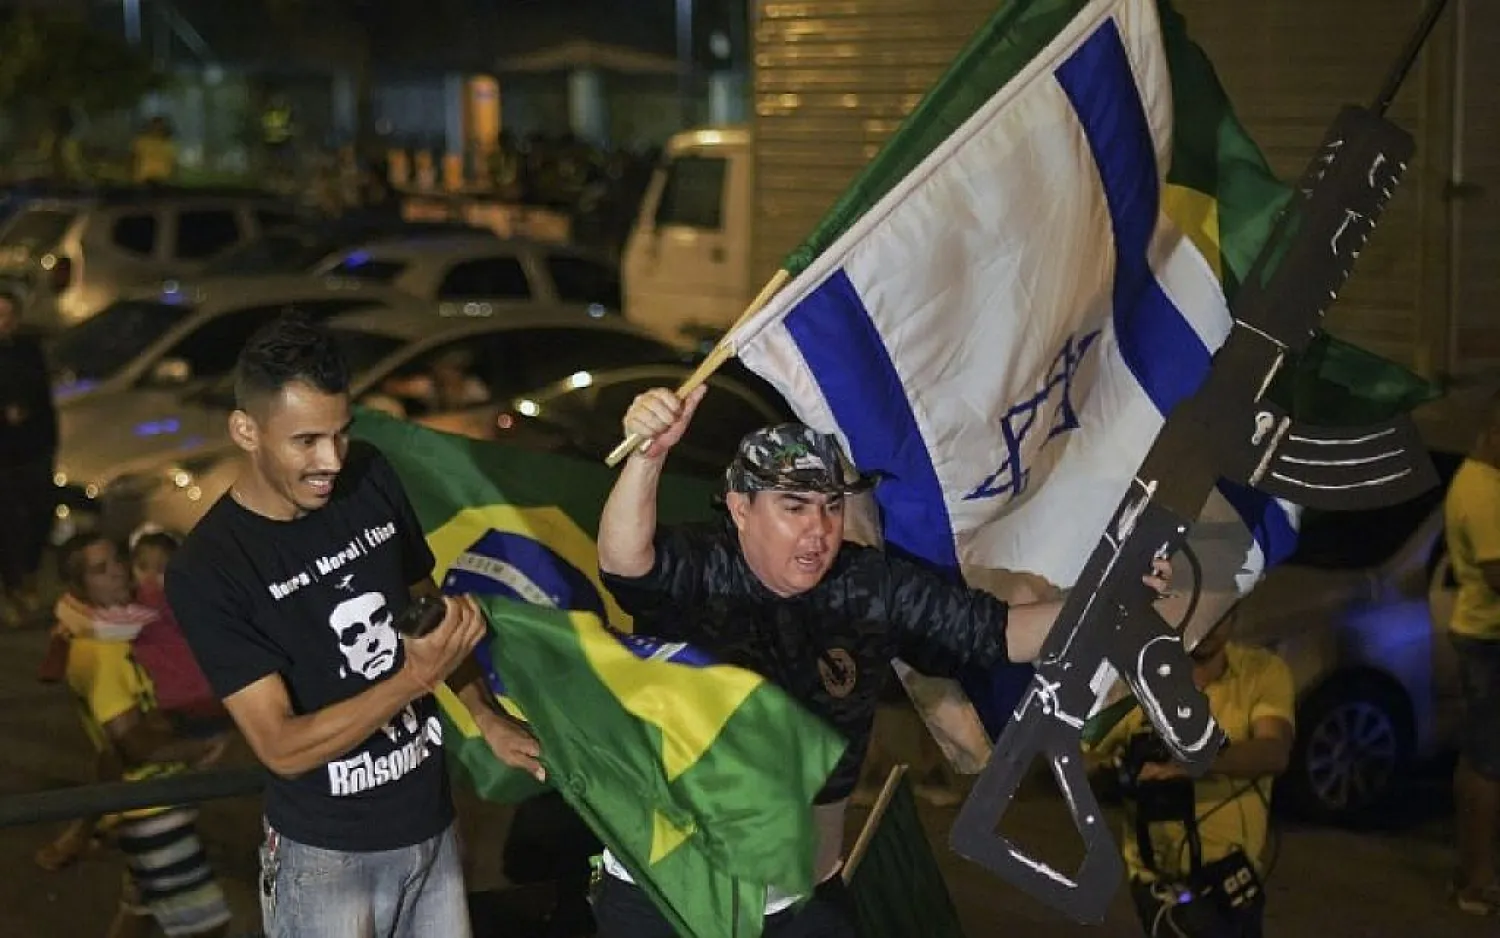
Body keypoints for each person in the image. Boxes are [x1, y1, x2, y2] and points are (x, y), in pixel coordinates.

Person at [588, 387, 1173, 937]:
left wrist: (1107, 595)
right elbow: (623, 562)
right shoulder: (701, 569)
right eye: (794, 506)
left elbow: (997, 633)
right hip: (663, 899)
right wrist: (648, 457)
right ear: (741, 508)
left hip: (801, 902)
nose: (818, 530)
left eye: (831, 507)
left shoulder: (868, 582)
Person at [164, 314, 541, 938]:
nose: (331, 460)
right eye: (306, 441)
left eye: (340, 434)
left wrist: (486, 715)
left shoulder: (370, 476)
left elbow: (427, 617)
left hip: (433, 828)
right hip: (327, 860)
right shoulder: (209, 569)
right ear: (245, 430)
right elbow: (281, 746)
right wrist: (415, 680)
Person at [52, 533, 234, 938]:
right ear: (80, 587)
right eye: (100, 570)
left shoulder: (120, 631)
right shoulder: (101, 654)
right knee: (208, 927)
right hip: (151, 812)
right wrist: (201, 748)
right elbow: (129, 743)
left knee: (141, 911)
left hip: (151, 801)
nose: (117, 570)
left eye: (117, 558)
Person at [1087, 607, 1293, 938]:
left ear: (1236, 615)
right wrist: (1120, 771)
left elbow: (1274, 750)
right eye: (1199, 613)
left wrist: (1192, 764)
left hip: (1235, 874)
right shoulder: (1131, 683)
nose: (1208, 625)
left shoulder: (1262, 672)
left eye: (1220, 613)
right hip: (1162, 883)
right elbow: (1073, 757)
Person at [1443, 394, 1500, 915]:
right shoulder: (1483, 492)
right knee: (1486, 761)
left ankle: (1473, 871)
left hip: (1484, 637)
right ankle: (1476, 879)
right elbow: (1497, 574)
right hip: (1489, 641)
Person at [129, 528, 235, 740]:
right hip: (183, 699)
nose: (149, 577)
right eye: (142, 567)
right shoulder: (145, 605)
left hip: (191, 700)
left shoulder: (164, 602)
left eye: (160, 569)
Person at [0, 283, 58, 627]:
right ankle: (13, 587)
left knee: (39, 513)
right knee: (8, 524)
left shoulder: (28, 350)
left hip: (34, 448)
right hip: (3, 453)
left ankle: (29, 575)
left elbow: (41, 396)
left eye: (7, 314)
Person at [132, 116, 178, 185]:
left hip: (163, 179)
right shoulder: (142, 142)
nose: (157, 129)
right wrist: (136, 178)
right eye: (155, 127)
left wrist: (173, 178)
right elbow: (136, 159)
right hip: (145, 179)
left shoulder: (168, 144)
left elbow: (172, 162)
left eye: (160, 127)